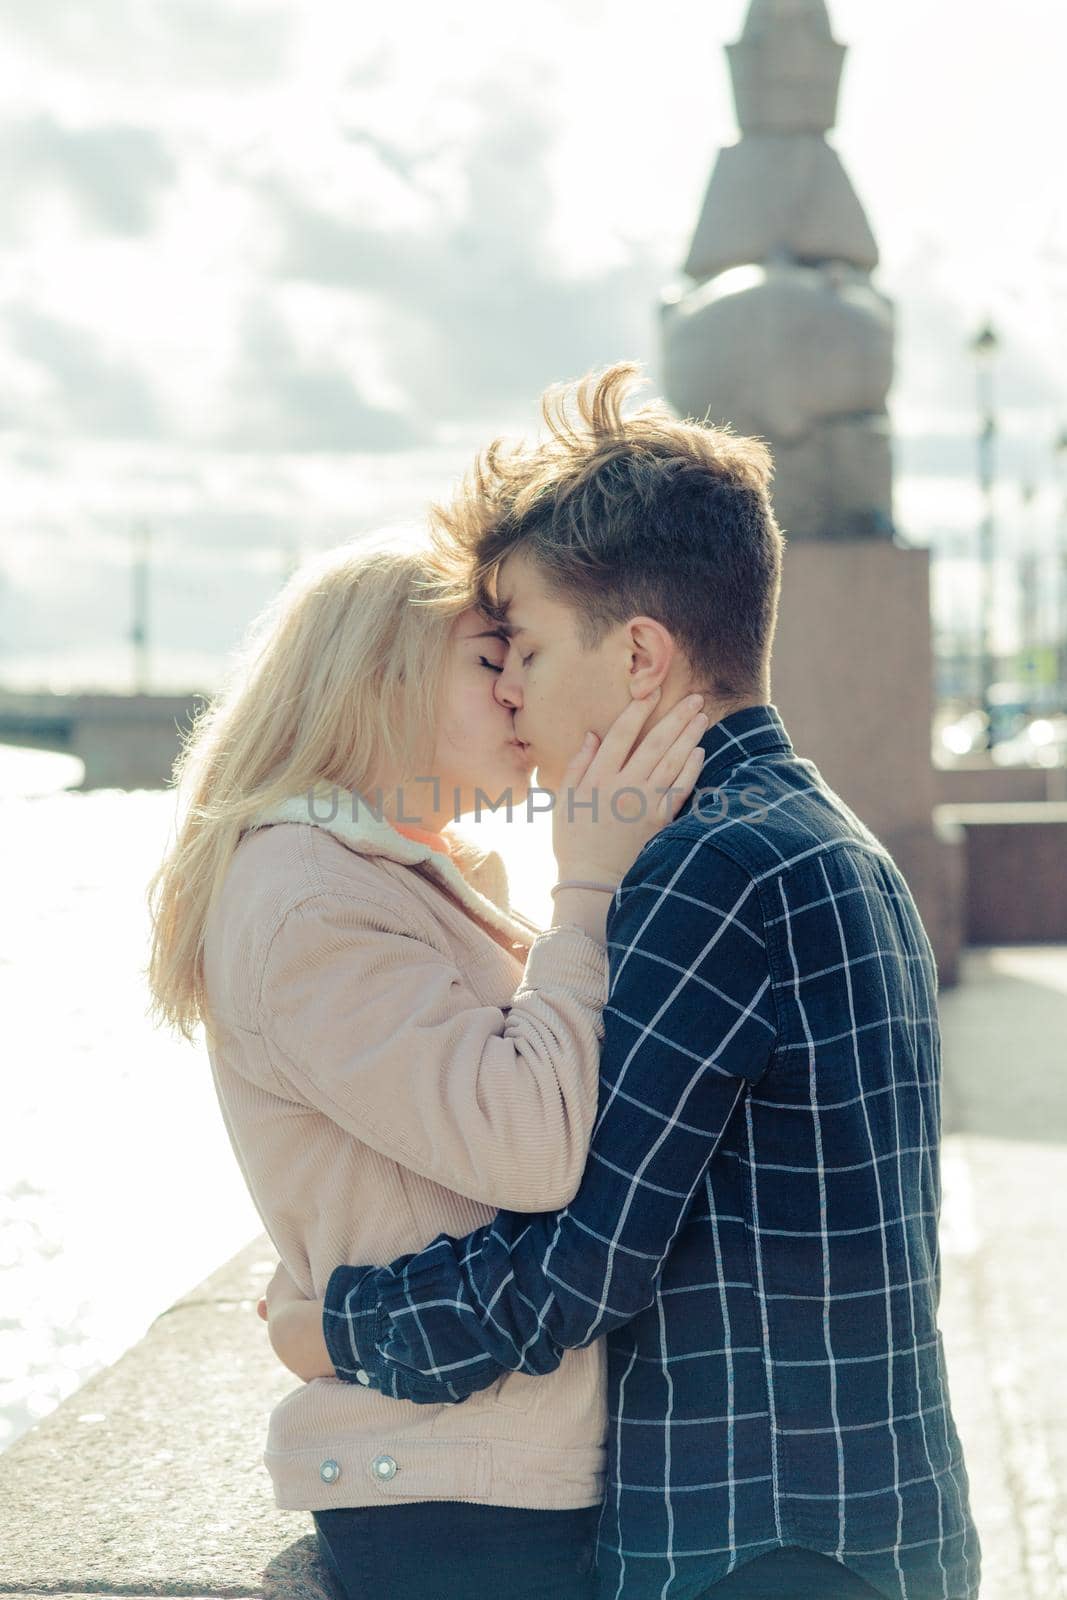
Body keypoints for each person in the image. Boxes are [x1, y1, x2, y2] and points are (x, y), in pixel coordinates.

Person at [262, 362, 981, 1600]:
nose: (512, 696)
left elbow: (580, 1264)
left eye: (526, 649)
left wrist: (338, 1325)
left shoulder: (705, 870)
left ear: (639, 656)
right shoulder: (828, 837)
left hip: (751, 1548)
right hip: (874, 1524)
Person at [145, 528, 708, 1600]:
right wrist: (583, 883)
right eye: (485, 658)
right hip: (451, 1497)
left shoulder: (385, 879)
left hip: (481, 1465)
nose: (515, 692)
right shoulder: (311, 897)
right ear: (380, 678)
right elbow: (533, 1148)